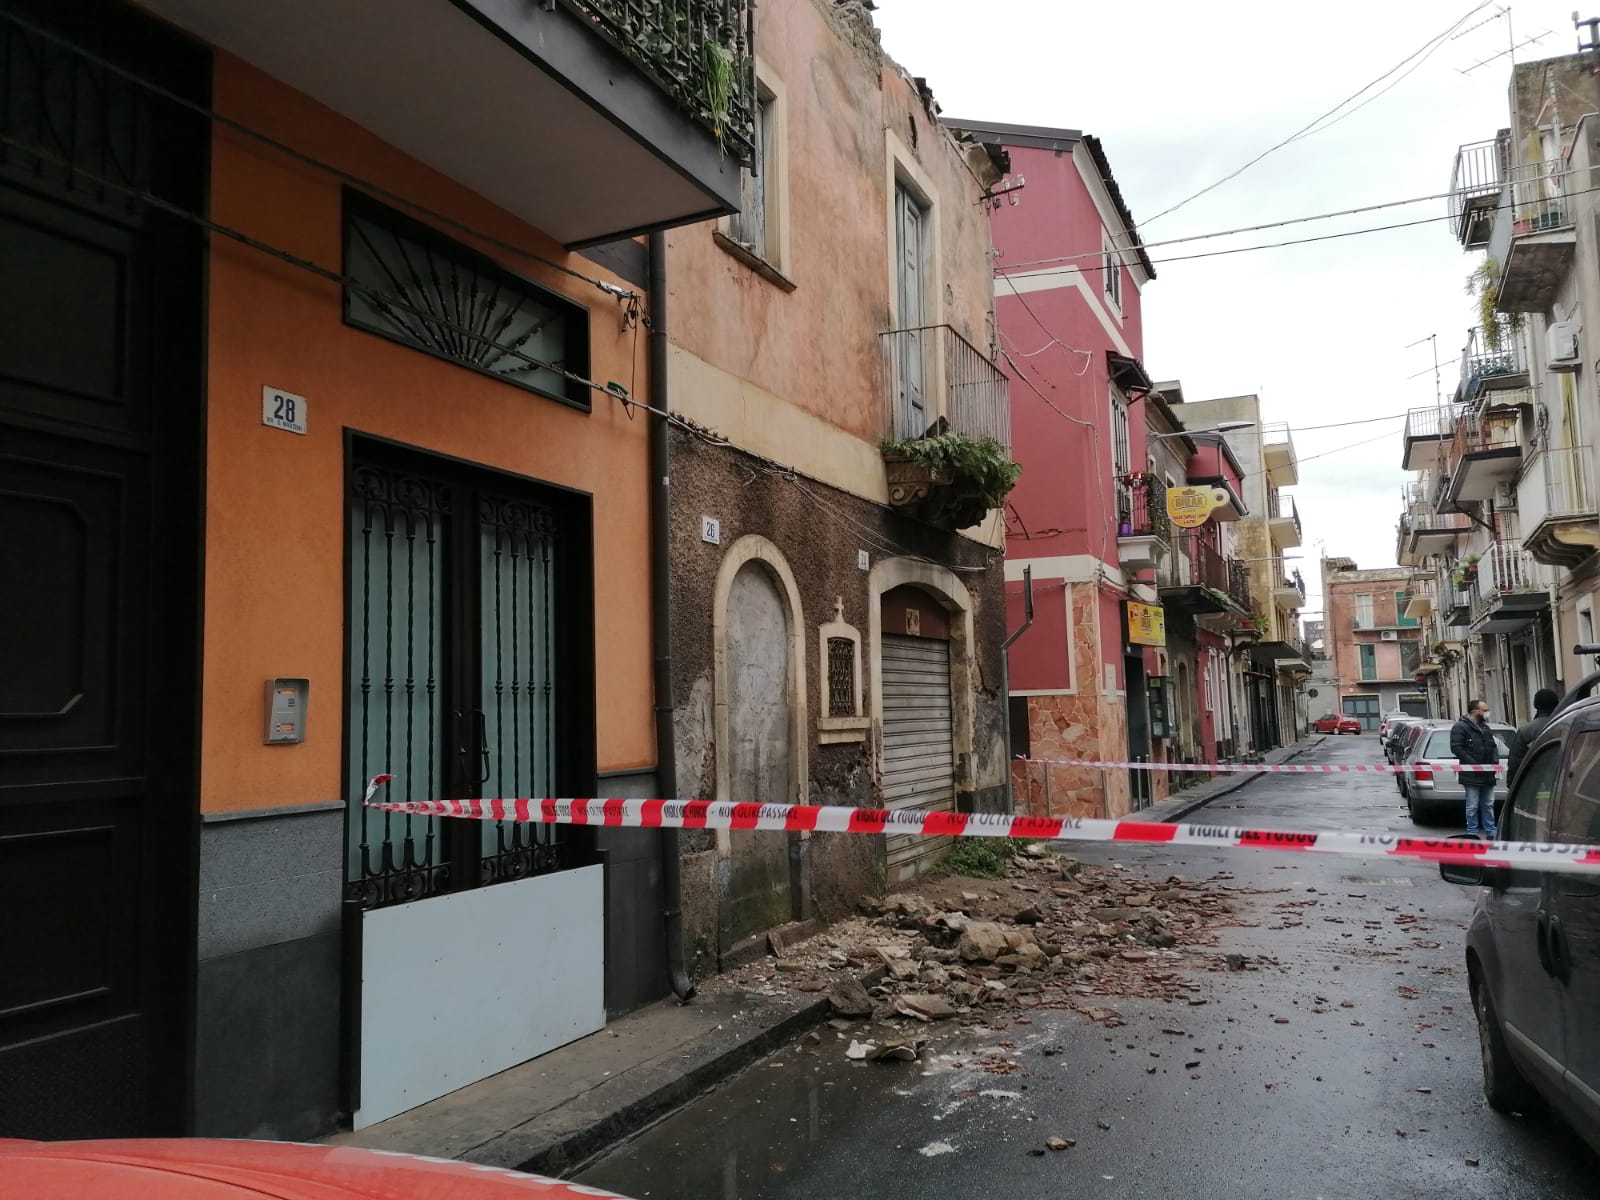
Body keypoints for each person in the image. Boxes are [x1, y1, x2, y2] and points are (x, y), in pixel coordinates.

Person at [1450, 698, 1500, 838]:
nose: (1487, 713)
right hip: (1471, 774)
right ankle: (1472, 832)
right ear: (1474, 711)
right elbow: (1456, 748)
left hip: (1488, 773)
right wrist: (1473, 765)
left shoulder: (1485, 727)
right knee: (1472, 805)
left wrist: (1494, 763)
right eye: (1484, 710)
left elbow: (1493, 746)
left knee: (1488, 804)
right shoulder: (1460, 727)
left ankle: (1490, 831)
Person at [1507, 688, 1559, 783]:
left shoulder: (1526, 730)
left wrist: (1512, 784)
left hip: (1535, 783)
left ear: (1535, 705)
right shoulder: (1565, 723)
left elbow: (1515, 761)